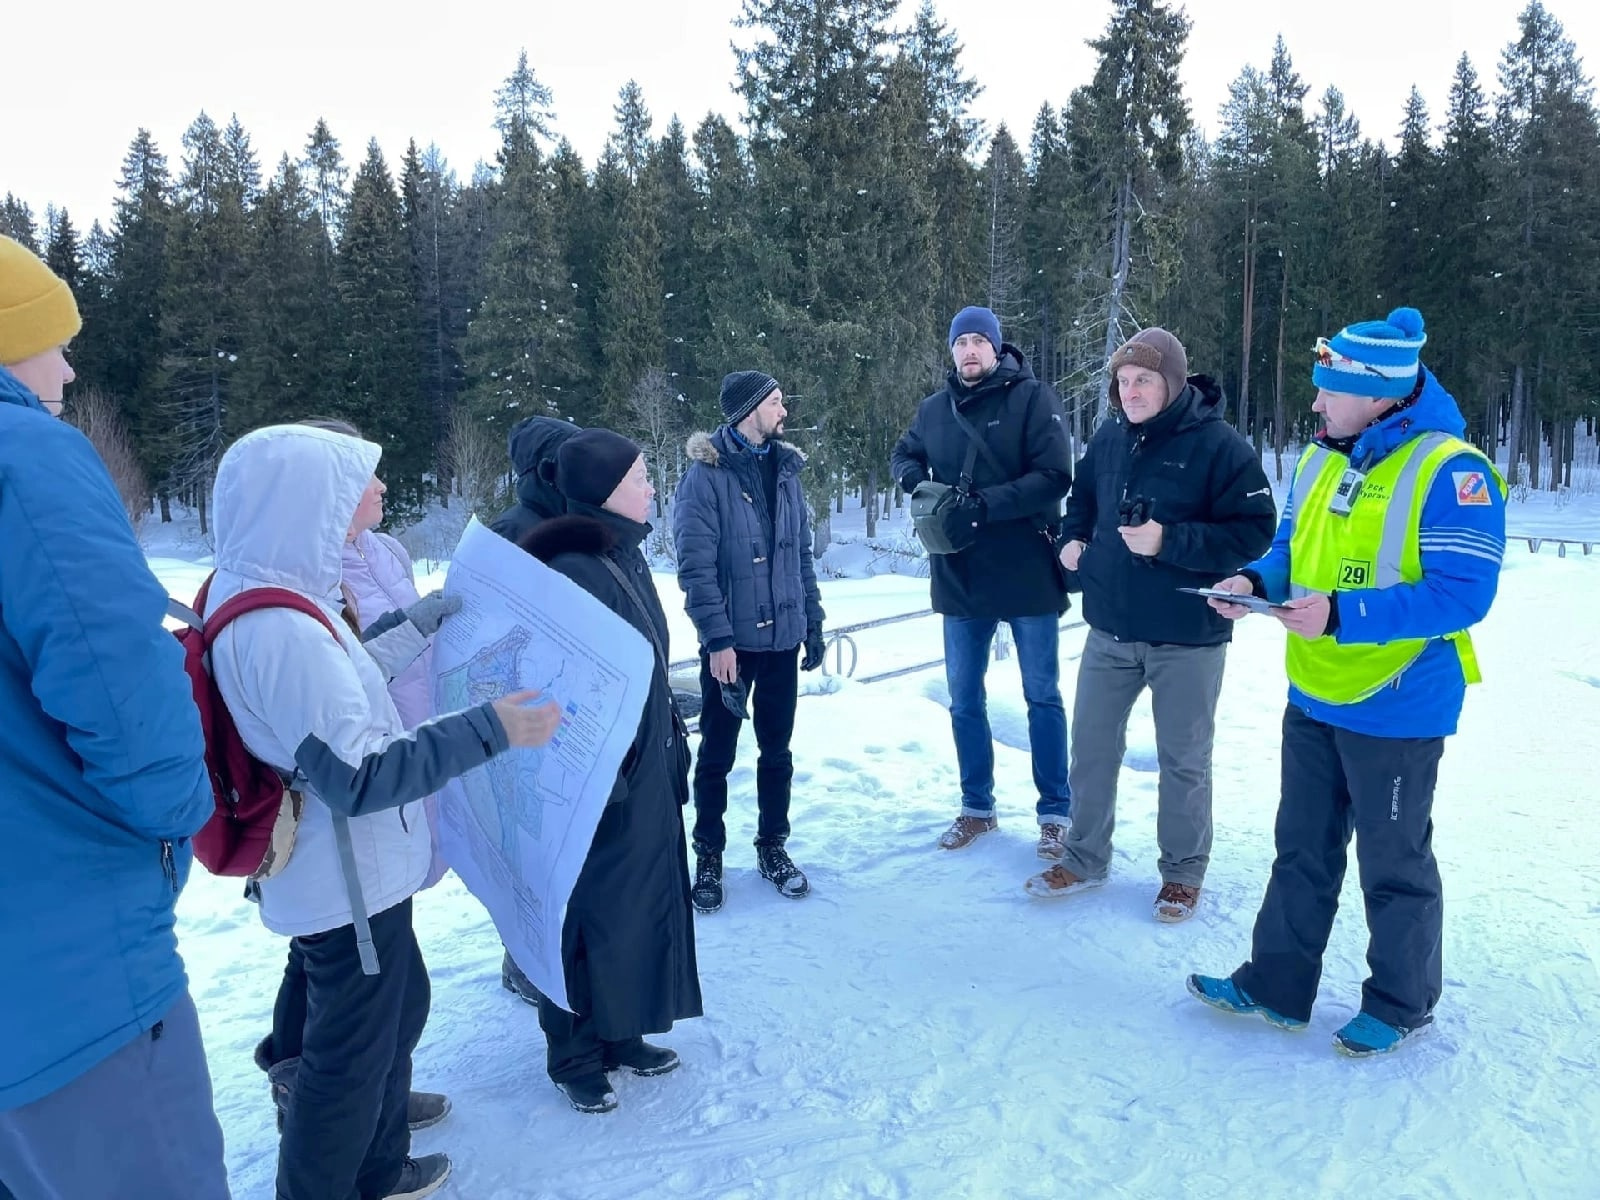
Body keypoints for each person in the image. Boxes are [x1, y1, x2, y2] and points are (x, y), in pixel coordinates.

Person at [206, 423, 562, 1200]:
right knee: (348, 1061)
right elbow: (360, 774)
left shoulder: (278, 597)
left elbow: (343, 689)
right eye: (355, 483)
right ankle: (339, 1180)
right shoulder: (281, 630)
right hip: (348, 885)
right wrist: (494, 727)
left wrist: (416, 626)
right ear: (309, 504)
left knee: (390, 1015)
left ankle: (377, 1167)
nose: (377, 491)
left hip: (347, 876)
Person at [1187, 307, 1505, 1057]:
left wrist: (1341, 614)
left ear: (1380, 396)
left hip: (1398, 700)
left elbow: (1464, 594)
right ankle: (1276, 985)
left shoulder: (1452, 469)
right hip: (1315, 689)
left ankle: (1400, 1002)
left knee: (1393, 862)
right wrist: (1251, 579)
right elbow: (1293, 550)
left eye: (1329, 390)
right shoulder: (1320, 456)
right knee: (1301, 846)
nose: (1316, 403)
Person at [0, 235, 232, 1199]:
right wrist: (178, 822)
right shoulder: (27, 462)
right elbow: (128, 706)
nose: (69, 365)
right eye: (52, 342)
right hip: (67, 976)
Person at [1023, 329, 1277, 921]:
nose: (1130, 390)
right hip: (1111, 627)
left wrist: (1172, 541)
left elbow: (1255, 529)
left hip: (1187, 633)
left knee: (1183, 759)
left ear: (1173, 382)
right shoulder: (1111, 438)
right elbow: (1081, 498)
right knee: (1089, 749)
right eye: (1124, 380)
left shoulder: (1218, 446)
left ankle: (1183, 872)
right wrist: (1072, 539)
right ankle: (1084, 857)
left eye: (1144, 379)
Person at [250, 418, 452, 1134]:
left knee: (365, 968)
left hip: (394, 769)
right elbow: (338, 678)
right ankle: (327, 1102)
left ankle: (366, 1102)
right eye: (368, 474)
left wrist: (434, 622)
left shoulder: (382, 548)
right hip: (349, 790)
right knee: (343, 966)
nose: (383, 485)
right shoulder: (310, 573)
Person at [520, 428, 702, 1113]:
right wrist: (606, 770)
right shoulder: (574, 567)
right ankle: (572, 1053)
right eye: (639, 477)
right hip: (598, 780)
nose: (651, 487)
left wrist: (669, 739)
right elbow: (563, 686)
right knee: (583, 915)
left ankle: (621, 1031)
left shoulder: (617, 551)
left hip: (643, 761)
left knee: (629, 907)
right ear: (602, 491)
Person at [890, 305, 1073, 854]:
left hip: (1025, 568)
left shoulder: (1032, 399)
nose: (969, 351)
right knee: (964, 697)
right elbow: (904, 452)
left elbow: (1055, 477)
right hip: (960, 569)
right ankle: (977, 807)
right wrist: (912, 478)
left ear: (997, 348)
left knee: (1041, 694)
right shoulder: (934, 409)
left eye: (978, 341)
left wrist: (985, 505)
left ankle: (1055, 812)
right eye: (960, 342)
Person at [673, 371, 825, 913]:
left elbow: (800, 554)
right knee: (716, 754)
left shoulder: (786, 469)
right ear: (750, 410)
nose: (785, 410)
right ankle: (708, 854)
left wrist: (813, 619)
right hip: (731, 646)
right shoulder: (704, 476)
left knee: (776, 751)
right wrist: (716, 641)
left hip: (782, 641)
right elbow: (696, 569)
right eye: (777, 402)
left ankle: (772, 847)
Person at [489, 415, 582, 1002]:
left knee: (573, 848)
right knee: (531, 848)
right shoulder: (508, 535)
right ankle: (524, 959)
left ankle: (566, 953)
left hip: (574, 716)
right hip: (525, 721)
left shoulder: (579, 524)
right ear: (546, 469)